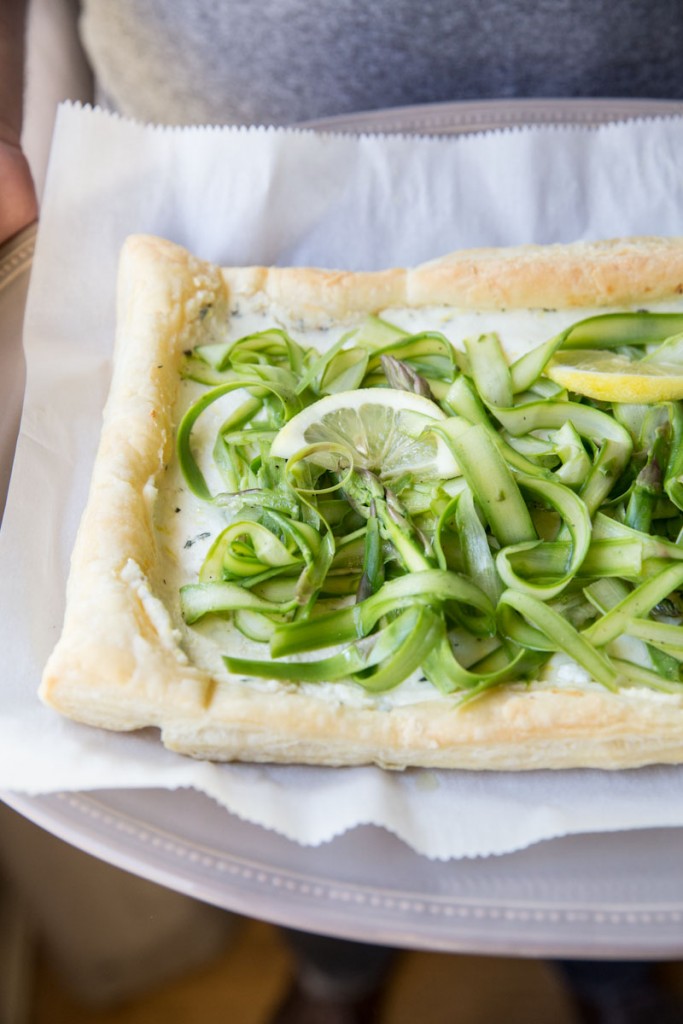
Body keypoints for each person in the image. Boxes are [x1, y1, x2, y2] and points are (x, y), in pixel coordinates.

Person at [3, 3, 683, 1023]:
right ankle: (335, 977)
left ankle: (610, 978)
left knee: (617, 864)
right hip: (221, 148)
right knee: (295, 838)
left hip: (647, 87)